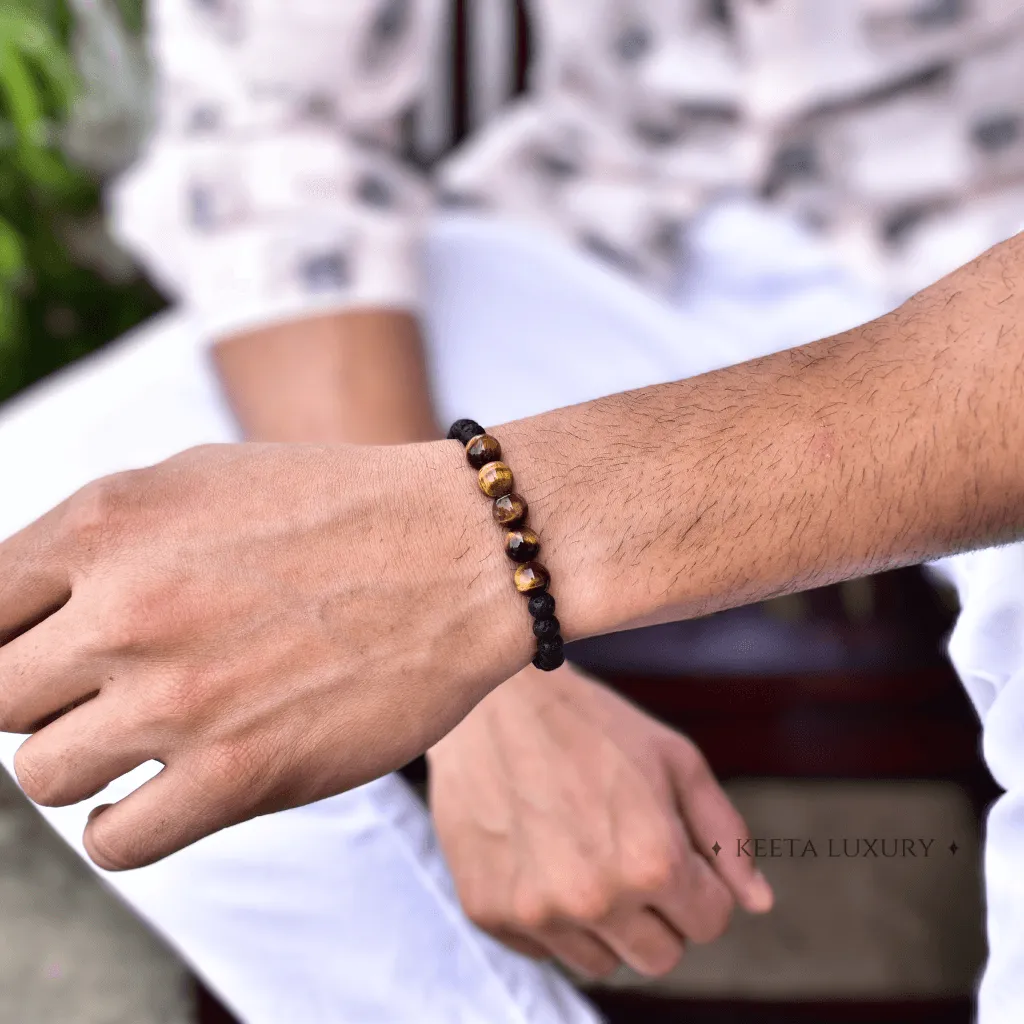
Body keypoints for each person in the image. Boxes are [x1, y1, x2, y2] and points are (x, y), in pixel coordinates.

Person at [2, 1, 1024, 1022]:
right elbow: (271, 135)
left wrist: (482, 575)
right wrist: (484, 691)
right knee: (59, 542)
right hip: (617, 215)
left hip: (992, 232)